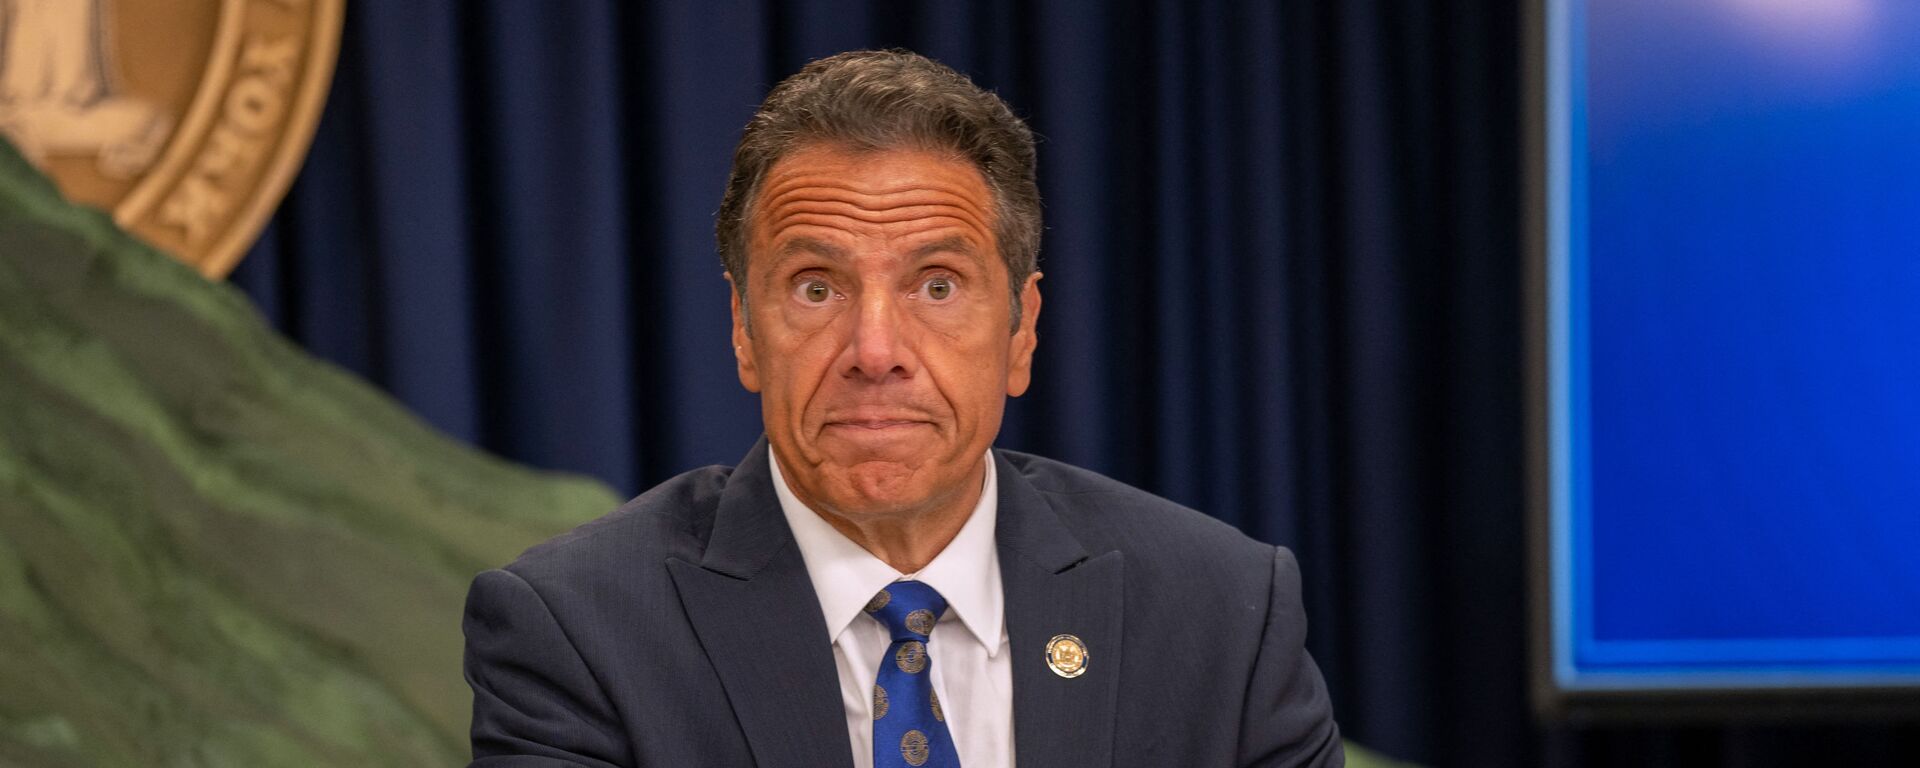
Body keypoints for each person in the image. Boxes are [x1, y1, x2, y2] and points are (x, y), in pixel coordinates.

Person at [462, 49, 1342, 768]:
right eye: (815, 288)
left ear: (1021, 331)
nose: (874, 350)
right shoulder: (576, 632)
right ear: (742, 330)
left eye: (937, 284)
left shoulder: (1220, 613)